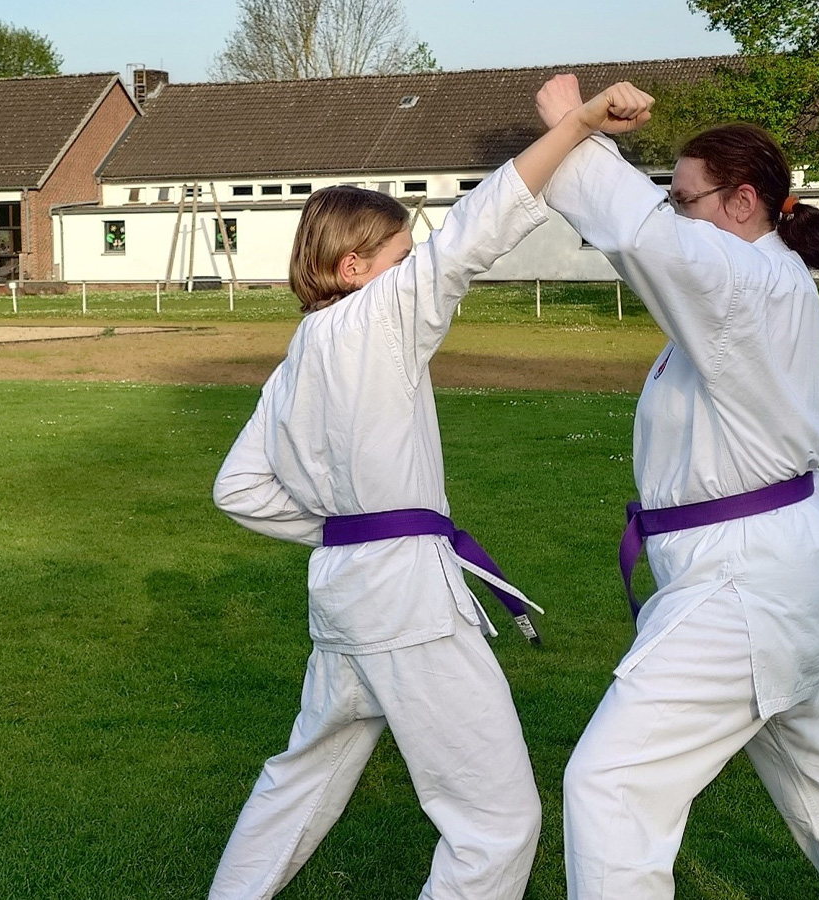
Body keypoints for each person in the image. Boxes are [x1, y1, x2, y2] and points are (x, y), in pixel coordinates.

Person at [207, 78, 655, 900]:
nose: (413, 272)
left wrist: (342, 530)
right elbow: (477, 229)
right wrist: (581, 123)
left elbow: (238, 488)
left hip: (346, 598)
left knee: (300, 781)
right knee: (496, 822)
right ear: (354, 267)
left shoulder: (298, 356)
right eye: (400, 259)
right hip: (405, 604)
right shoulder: (375, 315)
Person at [535, 76, 819, 900]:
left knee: (611, 785)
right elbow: (648, 239)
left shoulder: (748, 283)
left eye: (686, 200)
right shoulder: (751, 284)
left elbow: (644, 237)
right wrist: (584, 138)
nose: (675, 214)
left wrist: (573, 129)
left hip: (743, 582)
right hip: (771, 566)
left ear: (743, 201)